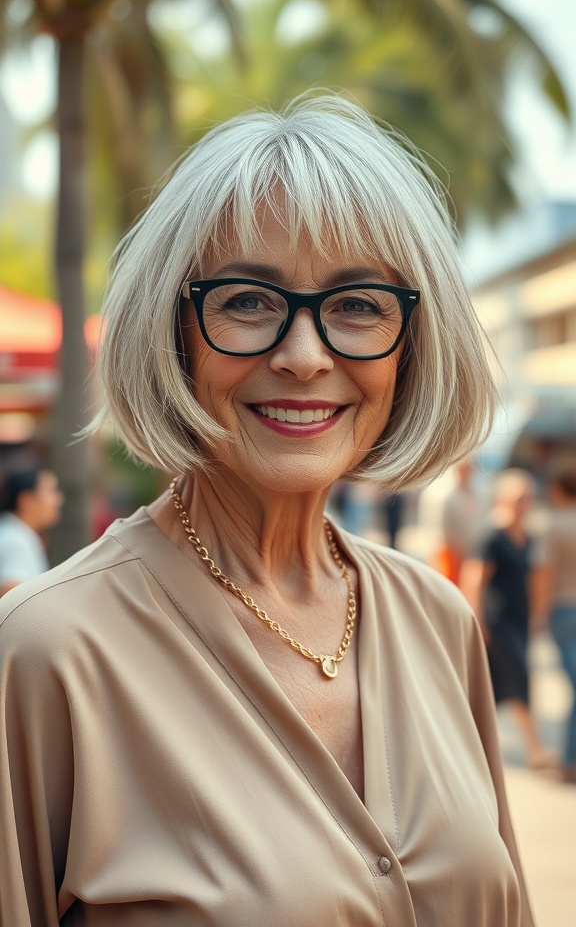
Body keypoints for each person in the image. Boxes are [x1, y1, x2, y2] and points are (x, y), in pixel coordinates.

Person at [0, 94, 534, 926]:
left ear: (412, 344)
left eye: (358, 304)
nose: (304, 355)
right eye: (248, 300)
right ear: (174, 330)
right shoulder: (49, 651)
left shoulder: (438, 619)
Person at [462, 468, 552, 770]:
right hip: (496, 622)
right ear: (502, 499)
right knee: (518, 677)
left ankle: (470, 745)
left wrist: (537, 615)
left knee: (489, 687)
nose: (524, 504)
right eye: (519, 498)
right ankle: (535, 748)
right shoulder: (491, 536)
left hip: (519, 620)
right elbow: (474, 580)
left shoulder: (526, 536)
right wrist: (476, 621)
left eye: (528, 498)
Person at [537, 461, 576, 784]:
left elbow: (544, 575)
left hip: (563, 610)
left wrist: (537, 615)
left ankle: (571, 761)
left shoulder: (554, 525)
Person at [0, 465, 63, 596]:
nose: (59, 500)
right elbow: (11, 592)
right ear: (26, 500)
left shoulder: (16, 532)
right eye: (51, 491)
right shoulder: (15, 541)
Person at [434, 457, 487, 586]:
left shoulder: (479, 494)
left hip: (473, 554)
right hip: (452, 555)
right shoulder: (448, 496)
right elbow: (445, 532)